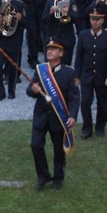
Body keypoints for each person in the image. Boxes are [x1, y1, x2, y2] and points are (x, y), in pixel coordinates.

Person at [29, 40, 80, 191]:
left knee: (58, 150)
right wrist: (33, 90)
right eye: (48, 49)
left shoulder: (69, 72)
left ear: (61, 53)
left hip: (58, 117)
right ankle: (43, 176)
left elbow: (74, 97)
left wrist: (73, 116)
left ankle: (58, 178)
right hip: (41, 116)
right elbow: (29, 90)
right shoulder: (41, 70)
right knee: (35, 144)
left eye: (53, 49)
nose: (49, 51)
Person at [73, 10, 107, 137]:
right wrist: (77, 75)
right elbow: (79, 57)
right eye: (93, 19)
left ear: (102, 20)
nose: (95, 22)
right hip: (86, 75)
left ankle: (100, 127)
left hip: (102, 76)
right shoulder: (83, 35)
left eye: (98, 19)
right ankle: (87, 128)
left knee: (102, 103)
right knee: (85, 102)